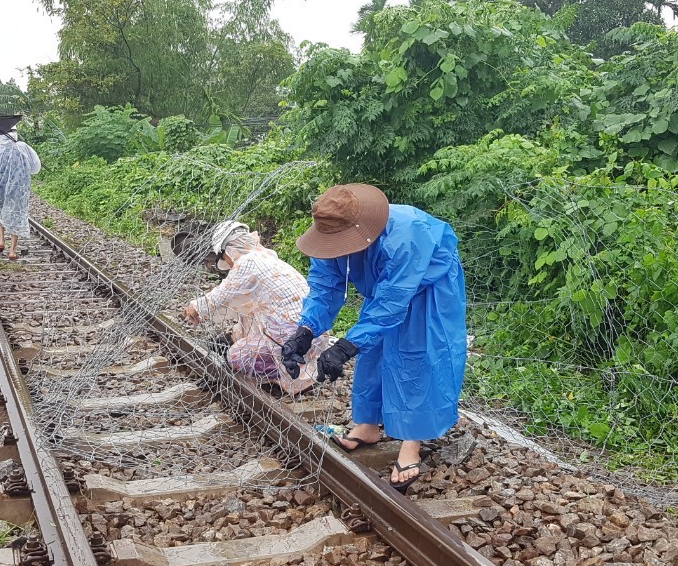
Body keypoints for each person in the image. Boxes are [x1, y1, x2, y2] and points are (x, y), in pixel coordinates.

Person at [280, 184, 467, 492]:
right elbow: (325, 287)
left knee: (414, 356)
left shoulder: (406, 234)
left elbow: (393, 300)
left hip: (428, 286)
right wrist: (305, 332)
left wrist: (345, 347)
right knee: (374, 353)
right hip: (386, 290)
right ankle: (368, 426)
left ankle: (411, 442)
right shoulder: (329, 234)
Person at [183, 221, 324, 395]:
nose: (227, 263)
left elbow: (221, 295)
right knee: (242, 324)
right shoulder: (267, 258)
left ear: (229, 250)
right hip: (310, 335)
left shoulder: (247, 262)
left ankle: (291, 377)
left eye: (223, 257)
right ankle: (294, 367)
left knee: (235, 356)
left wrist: (196, 307)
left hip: (290, 340)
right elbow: (240, 304)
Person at [0, 131, 41, 260]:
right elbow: (35, 166)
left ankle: (1, 241)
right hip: (17, 188)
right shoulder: (22, 146)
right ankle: (12, 251)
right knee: (15, 215)